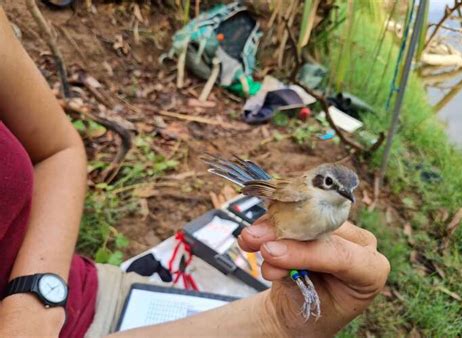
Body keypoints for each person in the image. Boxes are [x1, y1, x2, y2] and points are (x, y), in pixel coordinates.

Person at [0, 6, 390, 338]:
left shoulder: (335, 209)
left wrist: (280, 321)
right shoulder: (300, 194)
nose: (341, 197)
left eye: (345, 193)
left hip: (82, 291)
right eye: (330, 185)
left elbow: (61, 149)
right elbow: (272, 191)